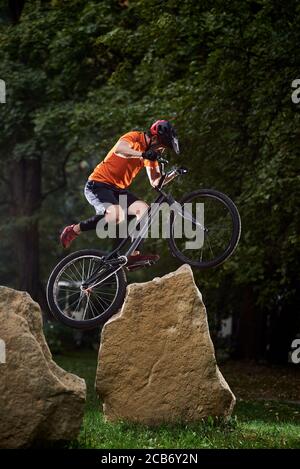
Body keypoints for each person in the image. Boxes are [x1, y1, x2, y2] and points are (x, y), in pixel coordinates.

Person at [60, 119, 180, 267]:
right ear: (154, 138)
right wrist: (143, 154)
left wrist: (173, 174)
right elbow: (120, 150)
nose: (161, 151)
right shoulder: (134, 137)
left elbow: (156, 182)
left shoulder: (151, 154)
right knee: (116, 216)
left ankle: (133, 256)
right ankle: (74, 229)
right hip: (98, 184)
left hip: (117, 190)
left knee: (144, 210)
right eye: (162, 146)